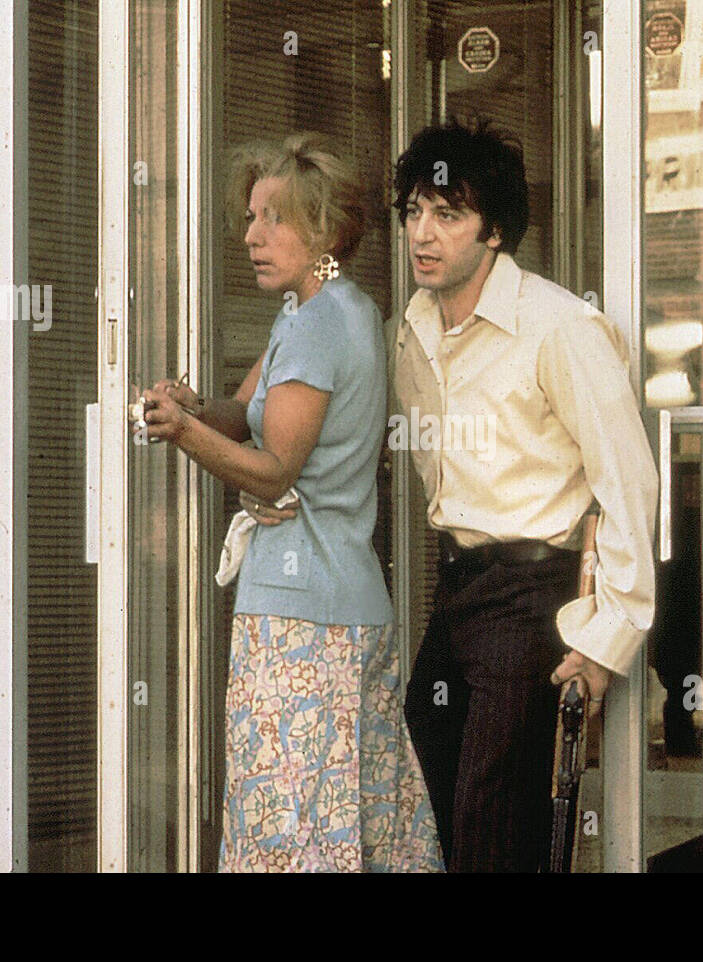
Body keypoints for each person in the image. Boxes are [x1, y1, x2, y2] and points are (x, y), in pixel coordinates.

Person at [136, 132, 442, 873]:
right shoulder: (329, 310)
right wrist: (198, 407)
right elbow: (244, 416)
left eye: (272, 217)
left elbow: (273, 471)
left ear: (325, 230)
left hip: (302, 613)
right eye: (250, 217)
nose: (251, 235)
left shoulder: (317, 323)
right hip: (345, 603)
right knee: (364, 823)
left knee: (292, 831)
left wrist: (178, 430)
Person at [389, 118, 658, 872]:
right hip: (458, 589)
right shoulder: (412, 325)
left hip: (530, 593)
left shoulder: (558, 327)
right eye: (414, 212)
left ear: (496, 230)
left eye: (449, 214)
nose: (424, 233)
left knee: (494, 820)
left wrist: (603, 640)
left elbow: (627, 482)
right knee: (428, 797)